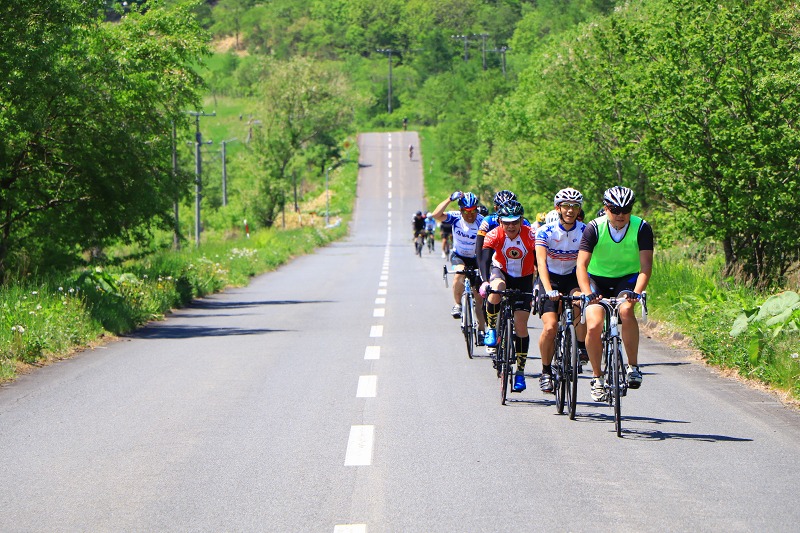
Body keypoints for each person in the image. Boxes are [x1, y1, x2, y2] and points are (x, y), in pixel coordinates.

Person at [576, 186, 654, 402]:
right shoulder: (594, 228)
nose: (621, 215)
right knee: (593, 323)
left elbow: (646, 266)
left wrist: (636, 293)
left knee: (627, 310)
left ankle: (633, 366)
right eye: (615, 210)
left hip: (626, 279)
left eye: (626, 209)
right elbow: (581, 266)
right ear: (606, 208)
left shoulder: (641, 228)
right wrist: (587, 293)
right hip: (596, 280)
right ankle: (597, 378)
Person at [479, 200, 538, 392]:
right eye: (507, 222)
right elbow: (485, 259)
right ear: (500, 221)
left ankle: (520, 372)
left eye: (515, 221)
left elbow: (541, 262)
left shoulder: (531, 236)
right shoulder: (494, 234)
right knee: (497, 288)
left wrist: (538, 286)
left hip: (524, 278)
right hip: (501, 271)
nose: (511, 226)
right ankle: (491, 328)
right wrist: (485, 281)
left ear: (521, 220)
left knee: (521, 325)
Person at [535, 188, 589, 393]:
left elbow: (588, 262)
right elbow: (541, 263)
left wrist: (587, 290)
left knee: (580, 303)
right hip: (551, 279)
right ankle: (546, 371)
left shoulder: (585, 230)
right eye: (566, 206)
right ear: (558, 208)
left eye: (575, 206)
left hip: (573, 278)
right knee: (550, 327)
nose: (570, 210)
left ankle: (581, 346)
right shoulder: (545, 232)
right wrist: (548, 290)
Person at [432, 191, 486, 335]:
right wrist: (449, 199)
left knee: (479, 299)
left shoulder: (482, 221)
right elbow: (436, 215)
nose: (470, 214)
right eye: (466, 211)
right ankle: (457, 305)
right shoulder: (455, 218)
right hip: (459, 256)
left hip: (476, 259)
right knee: (459, 273)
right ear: (460, 210)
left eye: (473, 210)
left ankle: (481, 331)